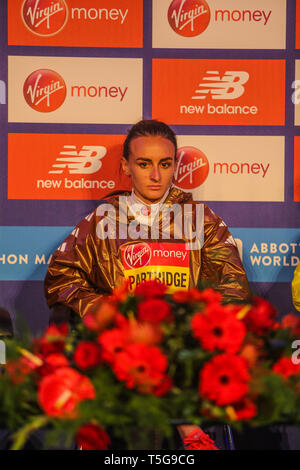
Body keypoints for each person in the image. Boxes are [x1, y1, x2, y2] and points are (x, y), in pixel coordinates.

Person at [44, 120, 251, 320]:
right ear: (126, 166)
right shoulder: (101, 220)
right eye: (144, 164)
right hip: (121, 342)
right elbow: (61, 279)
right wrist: (110, 313)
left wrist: (192, 323)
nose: (155, 175)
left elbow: (234, 287)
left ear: (175, 166)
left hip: (183, 343)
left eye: (165, 164)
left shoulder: (201, 220)